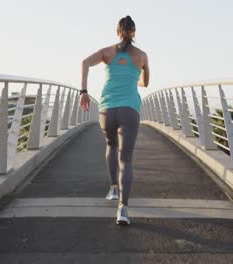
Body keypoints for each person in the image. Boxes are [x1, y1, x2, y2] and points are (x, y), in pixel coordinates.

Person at [79, 15, 150, 225]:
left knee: (111, 145)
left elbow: (84, 62)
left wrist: (83, 91)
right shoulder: (142, 56)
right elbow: (145, 83)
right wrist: (134, 74)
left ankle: (112, 189)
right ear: (134, 32)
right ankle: (123, 210)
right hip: (129, 109)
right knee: (126, 159)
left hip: (107, 109)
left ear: (118, 31)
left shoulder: (106, 52)